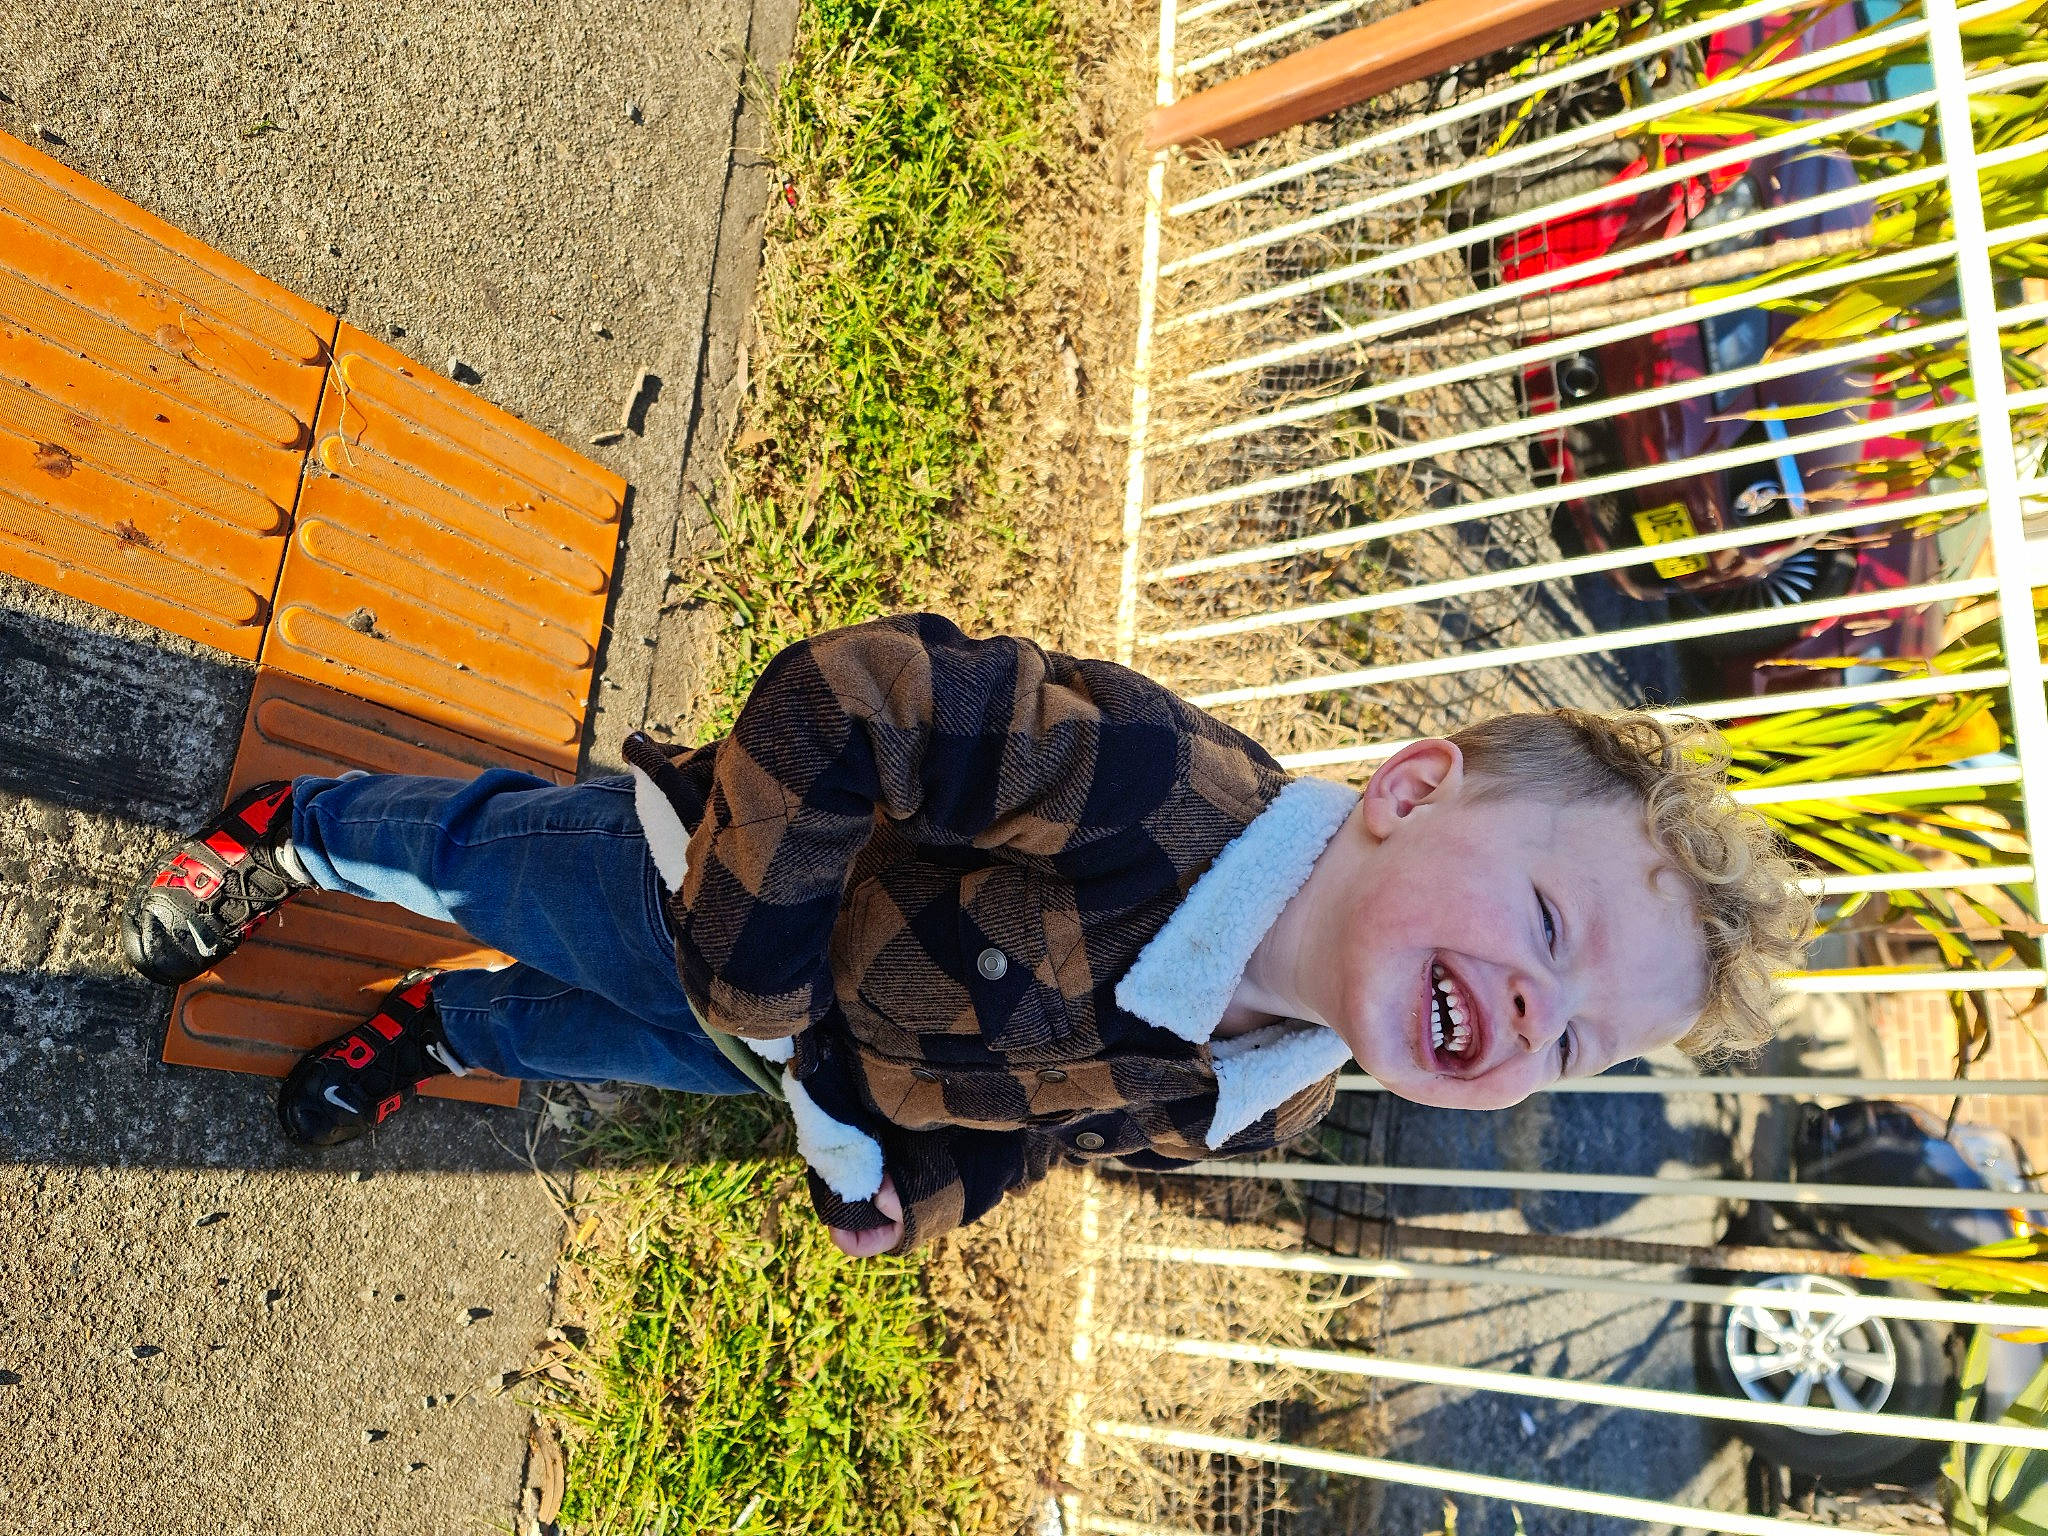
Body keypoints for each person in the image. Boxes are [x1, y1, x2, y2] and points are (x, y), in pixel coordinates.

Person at [119, 613, 1812, 1257]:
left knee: (561, 1034)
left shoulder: (1272, 1094)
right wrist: (756, 972)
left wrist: (920, 1193)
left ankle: (442, 1034)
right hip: (694, 890)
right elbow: (855, 698)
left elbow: (1052, 1126)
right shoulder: (1151, 787)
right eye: (1546, 922)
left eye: (1580, 1039)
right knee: (482, 865)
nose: (1533, 1010)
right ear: (1411, 787)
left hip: (798, 1073)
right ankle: (305, 831)